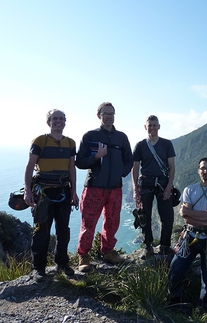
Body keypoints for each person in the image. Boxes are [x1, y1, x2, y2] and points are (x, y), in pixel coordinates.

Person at [75, 102, 133, 272]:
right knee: (89, 222)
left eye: (112, 113)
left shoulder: (121, 137)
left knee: (112, 221)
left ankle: (108, 251)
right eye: (105, 113)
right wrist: (95, 158)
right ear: (98, 115)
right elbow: (79, 162)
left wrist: (120, 172)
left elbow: (129, 160)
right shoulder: (90, 136)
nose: (109, 116)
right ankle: (84, 255)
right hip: (94, 187)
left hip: (115, 187)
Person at [23, 109, 79, 282]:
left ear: (65, 122)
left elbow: (71, 168)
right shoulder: (40, 141)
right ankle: (38, 268)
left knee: (64, 230)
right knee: (41, 232)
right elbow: (30, 166)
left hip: (63, 191)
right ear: (49, 122)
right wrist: (27, 190)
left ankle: (62, 263)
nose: (58, 121)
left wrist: (74, 192)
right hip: (44, 193)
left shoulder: (70, 143)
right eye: (55, 119)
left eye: (61, 119)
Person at [168, 157, 207, 308]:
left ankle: (204, 309)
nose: (205, 171)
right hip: (190, 236)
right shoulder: (189, 190)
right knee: (175, 269)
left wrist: (191, 213)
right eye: (203, 168)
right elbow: (185, 217)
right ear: (198, 170)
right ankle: (175, 302)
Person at [132, 115, 176, 259]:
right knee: (145, 216)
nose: (152, 127)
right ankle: (148, 246)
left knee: (167, 216)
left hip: (163, 183)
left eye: (154, 125)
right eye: (149, 125)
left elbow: (172, 167)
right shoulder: (140, 145)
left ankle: (165, 246)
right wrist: (135, 190)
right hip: (146, 183)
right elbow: (135, 168)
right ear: (145, 127)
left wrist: (169, 187)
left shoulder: (167, 144)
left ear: (159, 126)